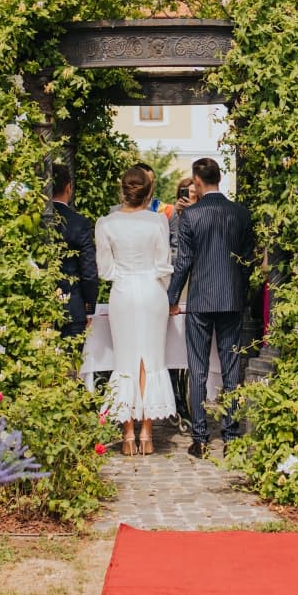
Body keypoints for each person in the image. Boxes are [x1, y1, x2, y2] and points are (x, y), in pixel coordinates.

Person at [167, 157, 255, 458]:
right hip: (231, 299)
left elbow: (183, 263)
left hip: (201, 300)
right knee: (231, 369)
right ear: (219, 177)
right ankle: (230, 436)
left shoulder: (191, 216)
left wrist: (172, 298)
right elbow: (247, 262)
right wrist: (241, 293)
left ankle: (200, 438)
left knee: (198, 368)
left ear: (198, 181)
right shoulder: (241, 214)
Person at [95, 166, 177, 455]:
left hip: (123, 292)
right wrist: (163, 293)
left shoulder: (105, 223)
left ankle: (128, 435)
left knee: (125, 360)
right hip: (152, 291)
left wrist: (125, 277)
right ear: (148, 192)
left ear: (122, 190)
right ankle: (147, 435)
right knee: (151, 359)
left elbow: (105, 270)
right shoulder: (158, 221)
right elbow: (164, 265)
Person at [51, 164, 98, 341]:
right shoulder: (79, 223)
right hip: (72, 306)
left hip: (38, 306)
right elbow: (88, 271)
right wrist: (89, 307)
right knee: (70, 365)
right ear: (68, 187)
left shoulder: (34, 220)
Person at [168, 176, 198, 253]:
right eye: (185, 191)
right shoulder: (170, 212)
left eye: (192, 191)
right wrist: (175, 212)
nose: (189, 195)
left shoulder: (202, 214)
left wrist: (193, 212)